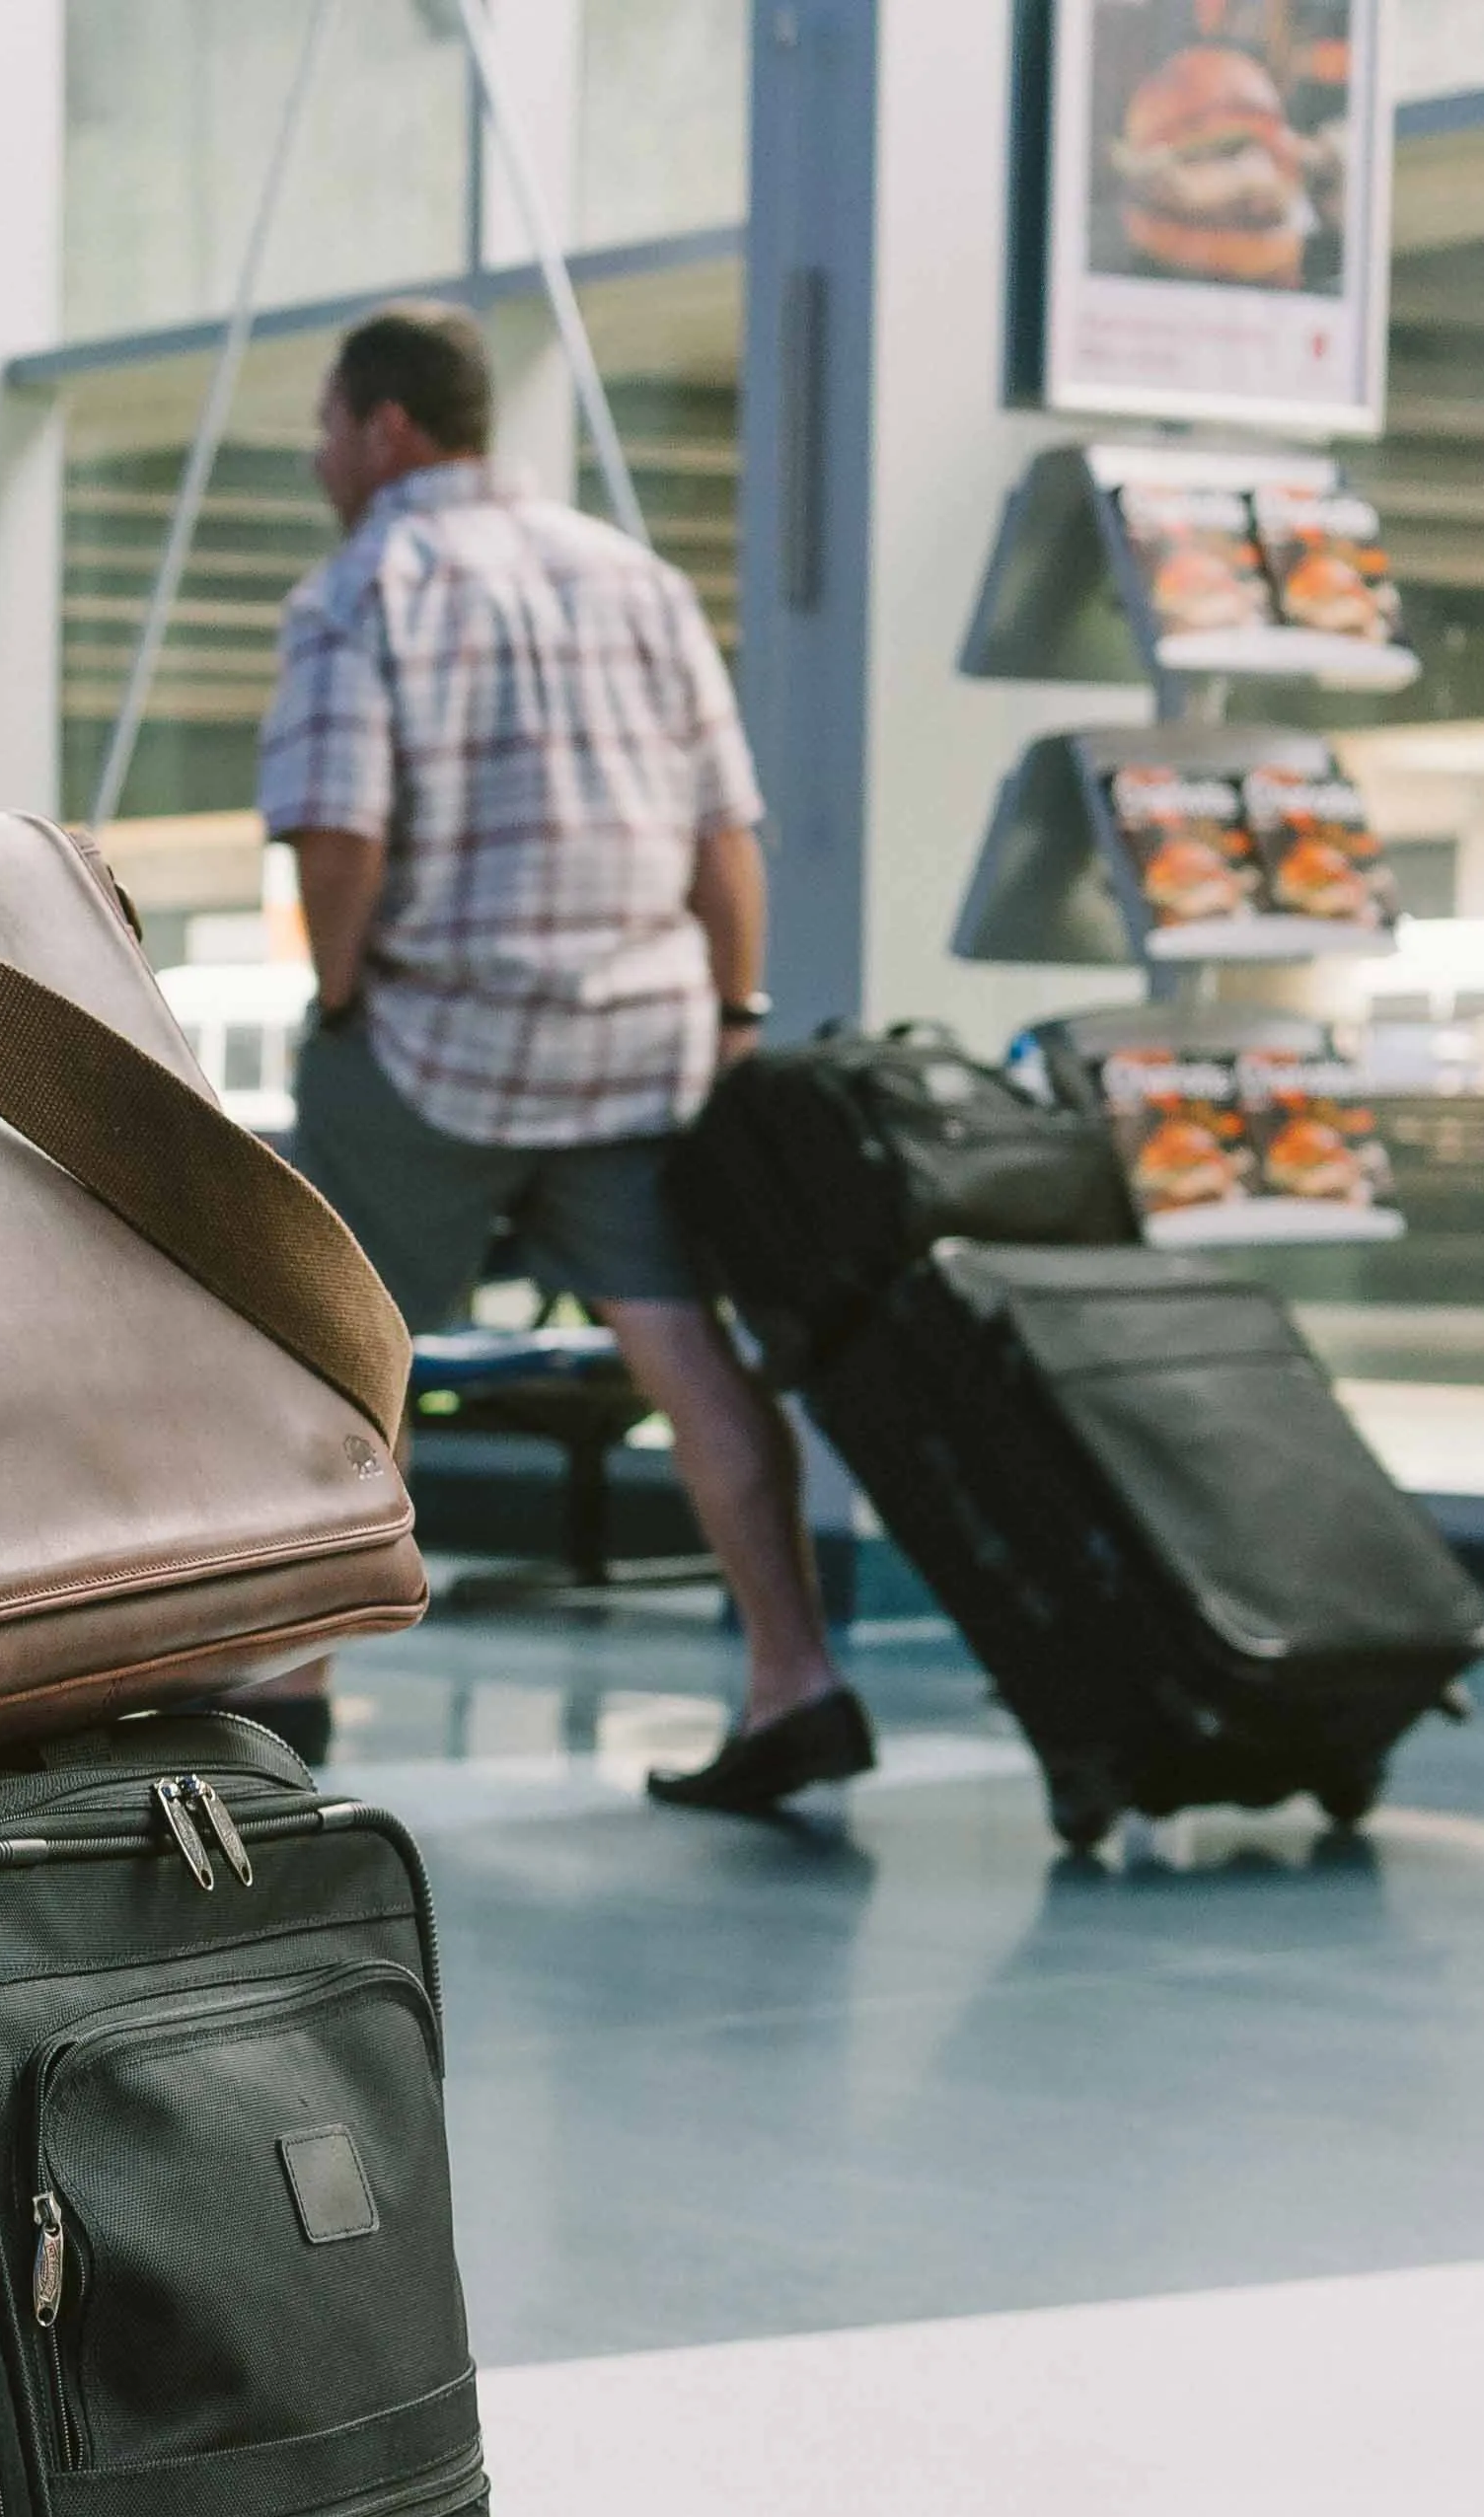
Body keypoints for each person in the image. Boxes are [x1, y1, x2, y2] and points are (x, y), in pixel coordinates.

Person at [257, 302, 874, 1814]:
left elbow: (340, 835)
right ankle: (796, 1675)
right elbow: (725, 834)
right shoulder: (637, 580)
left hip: (433, 1045)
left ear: (388, 426)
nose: (321, 456)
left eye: (329, 426)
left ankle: (293, 1691)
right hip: (635, 1053)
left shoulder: (362, 587)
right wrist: (729, 1017)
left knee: (329, 1354)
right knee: (688, 1357)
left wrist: (341, 1002)